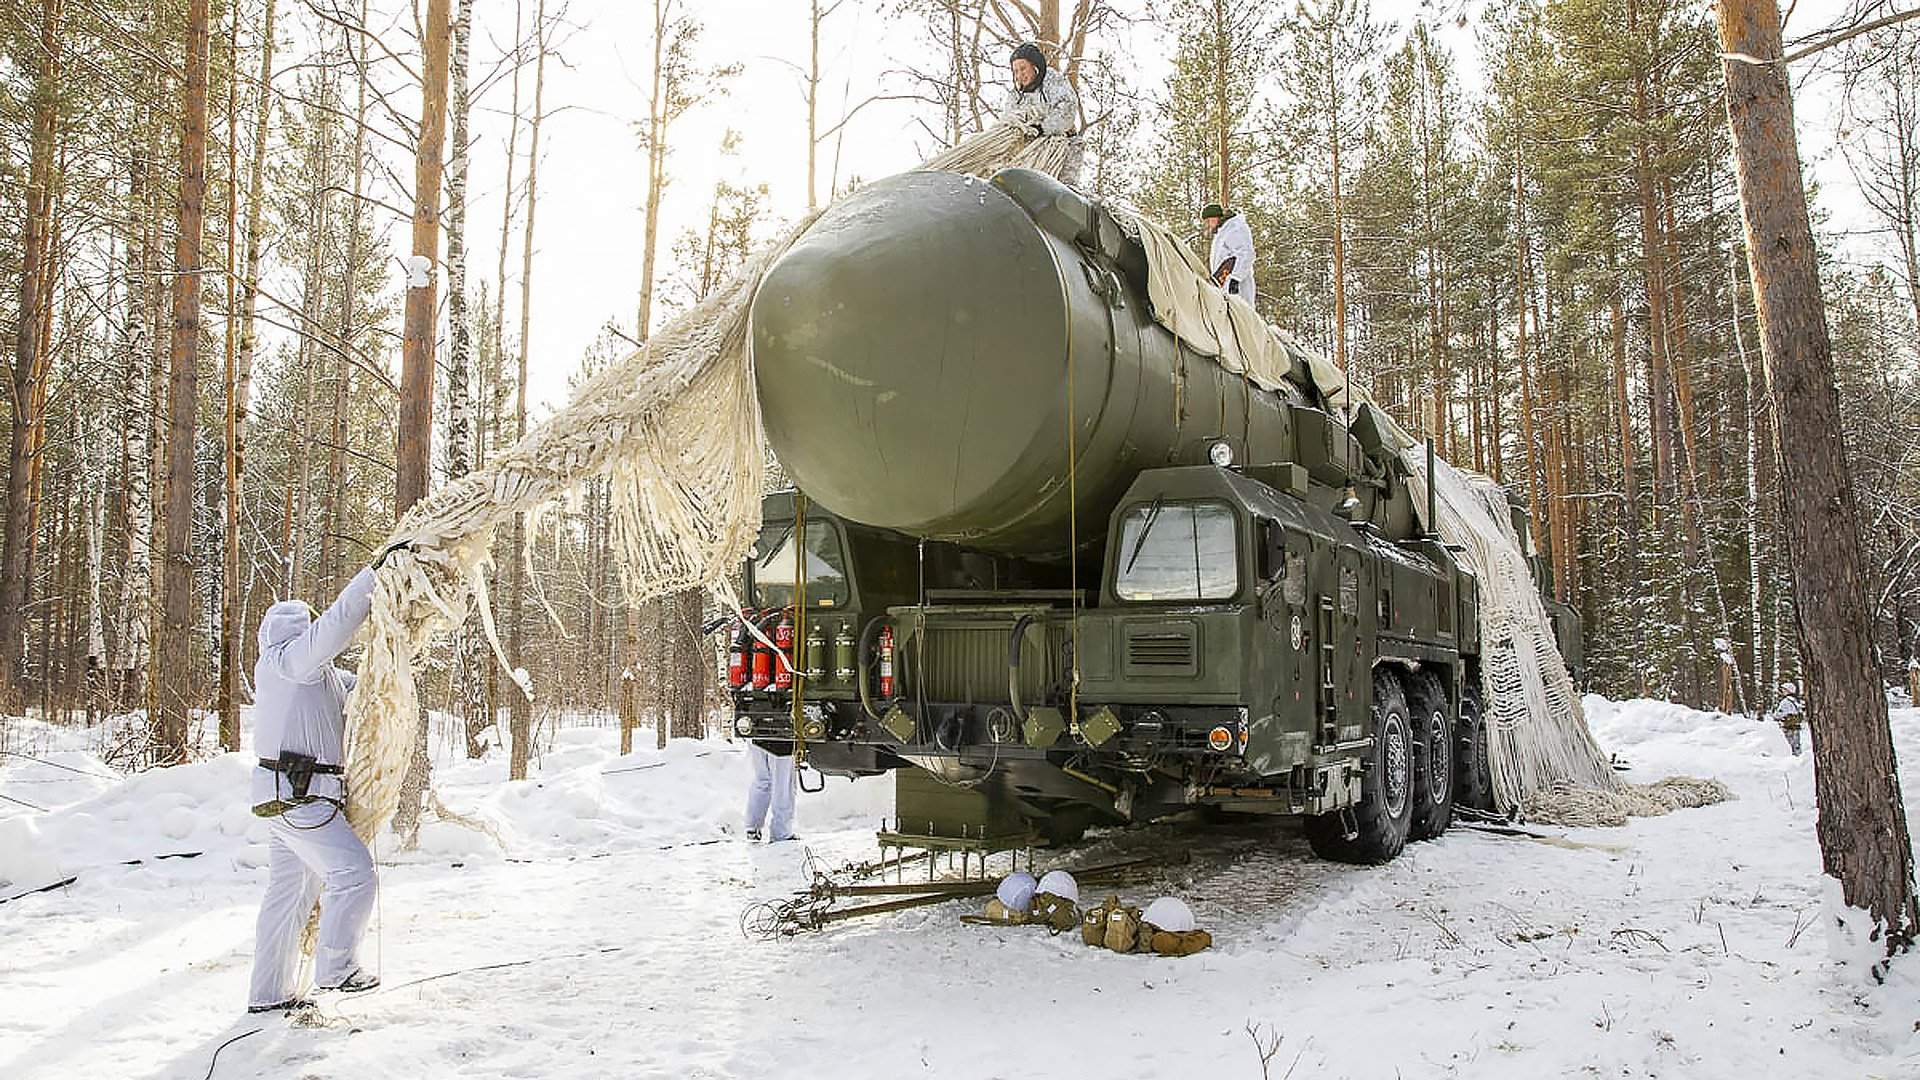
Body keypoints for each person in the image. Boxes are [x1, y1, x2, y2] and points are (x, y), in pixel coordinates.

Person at [245, 542, 404, 1013]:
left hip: (287, 801)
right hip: (300, 800)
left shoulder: (319, 677)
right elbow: (337, 624)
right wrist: (375, 574)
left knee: (289, 898)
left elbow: (367, 692)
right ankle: (336, 968)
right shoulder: (286, 663)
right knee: (354, 874)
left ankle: (268, 994)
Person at [1003, 41, 1084, 185]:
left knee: (1060, 188)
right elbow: (1008, 121)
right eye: (1015, 71)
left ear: (1035, 66)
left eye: (1023, 68)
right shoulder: (1015, 96)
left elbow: (1067, 108)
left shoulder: (1052, 80)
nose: (1020, 75)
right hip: (1030, 152)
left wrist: (1043, 128)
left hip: (1062, 146)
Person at [1202, 203, 1257, 306]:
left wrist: (1236, 278)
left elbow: (1246, 254)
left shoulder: (1235, 228)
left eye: (1209, 220)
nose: (1209, 224)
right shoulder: (1222, 232)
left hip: (1237, 287)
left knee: (1242, 316)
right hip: (1224, 286)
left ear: (1217, 217)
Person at [744, 739, 797, 842]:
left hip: (755, 734)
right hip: (781, 738)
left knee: (763, 780)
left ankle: (752, 827)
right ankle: (781, 832)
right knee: (782, 784)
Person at [1770, 680, 1805, 757]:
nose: (1782, 691)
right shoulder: (1796, 700)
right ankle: (1799, 759)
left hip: (1788, 726)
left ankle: (1793, 760)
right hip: (1796, 726)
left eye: (1784, 690)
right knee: (1796, 744)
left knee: (1789, 745)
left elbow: (1778, 715)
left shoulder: (1785, 702)